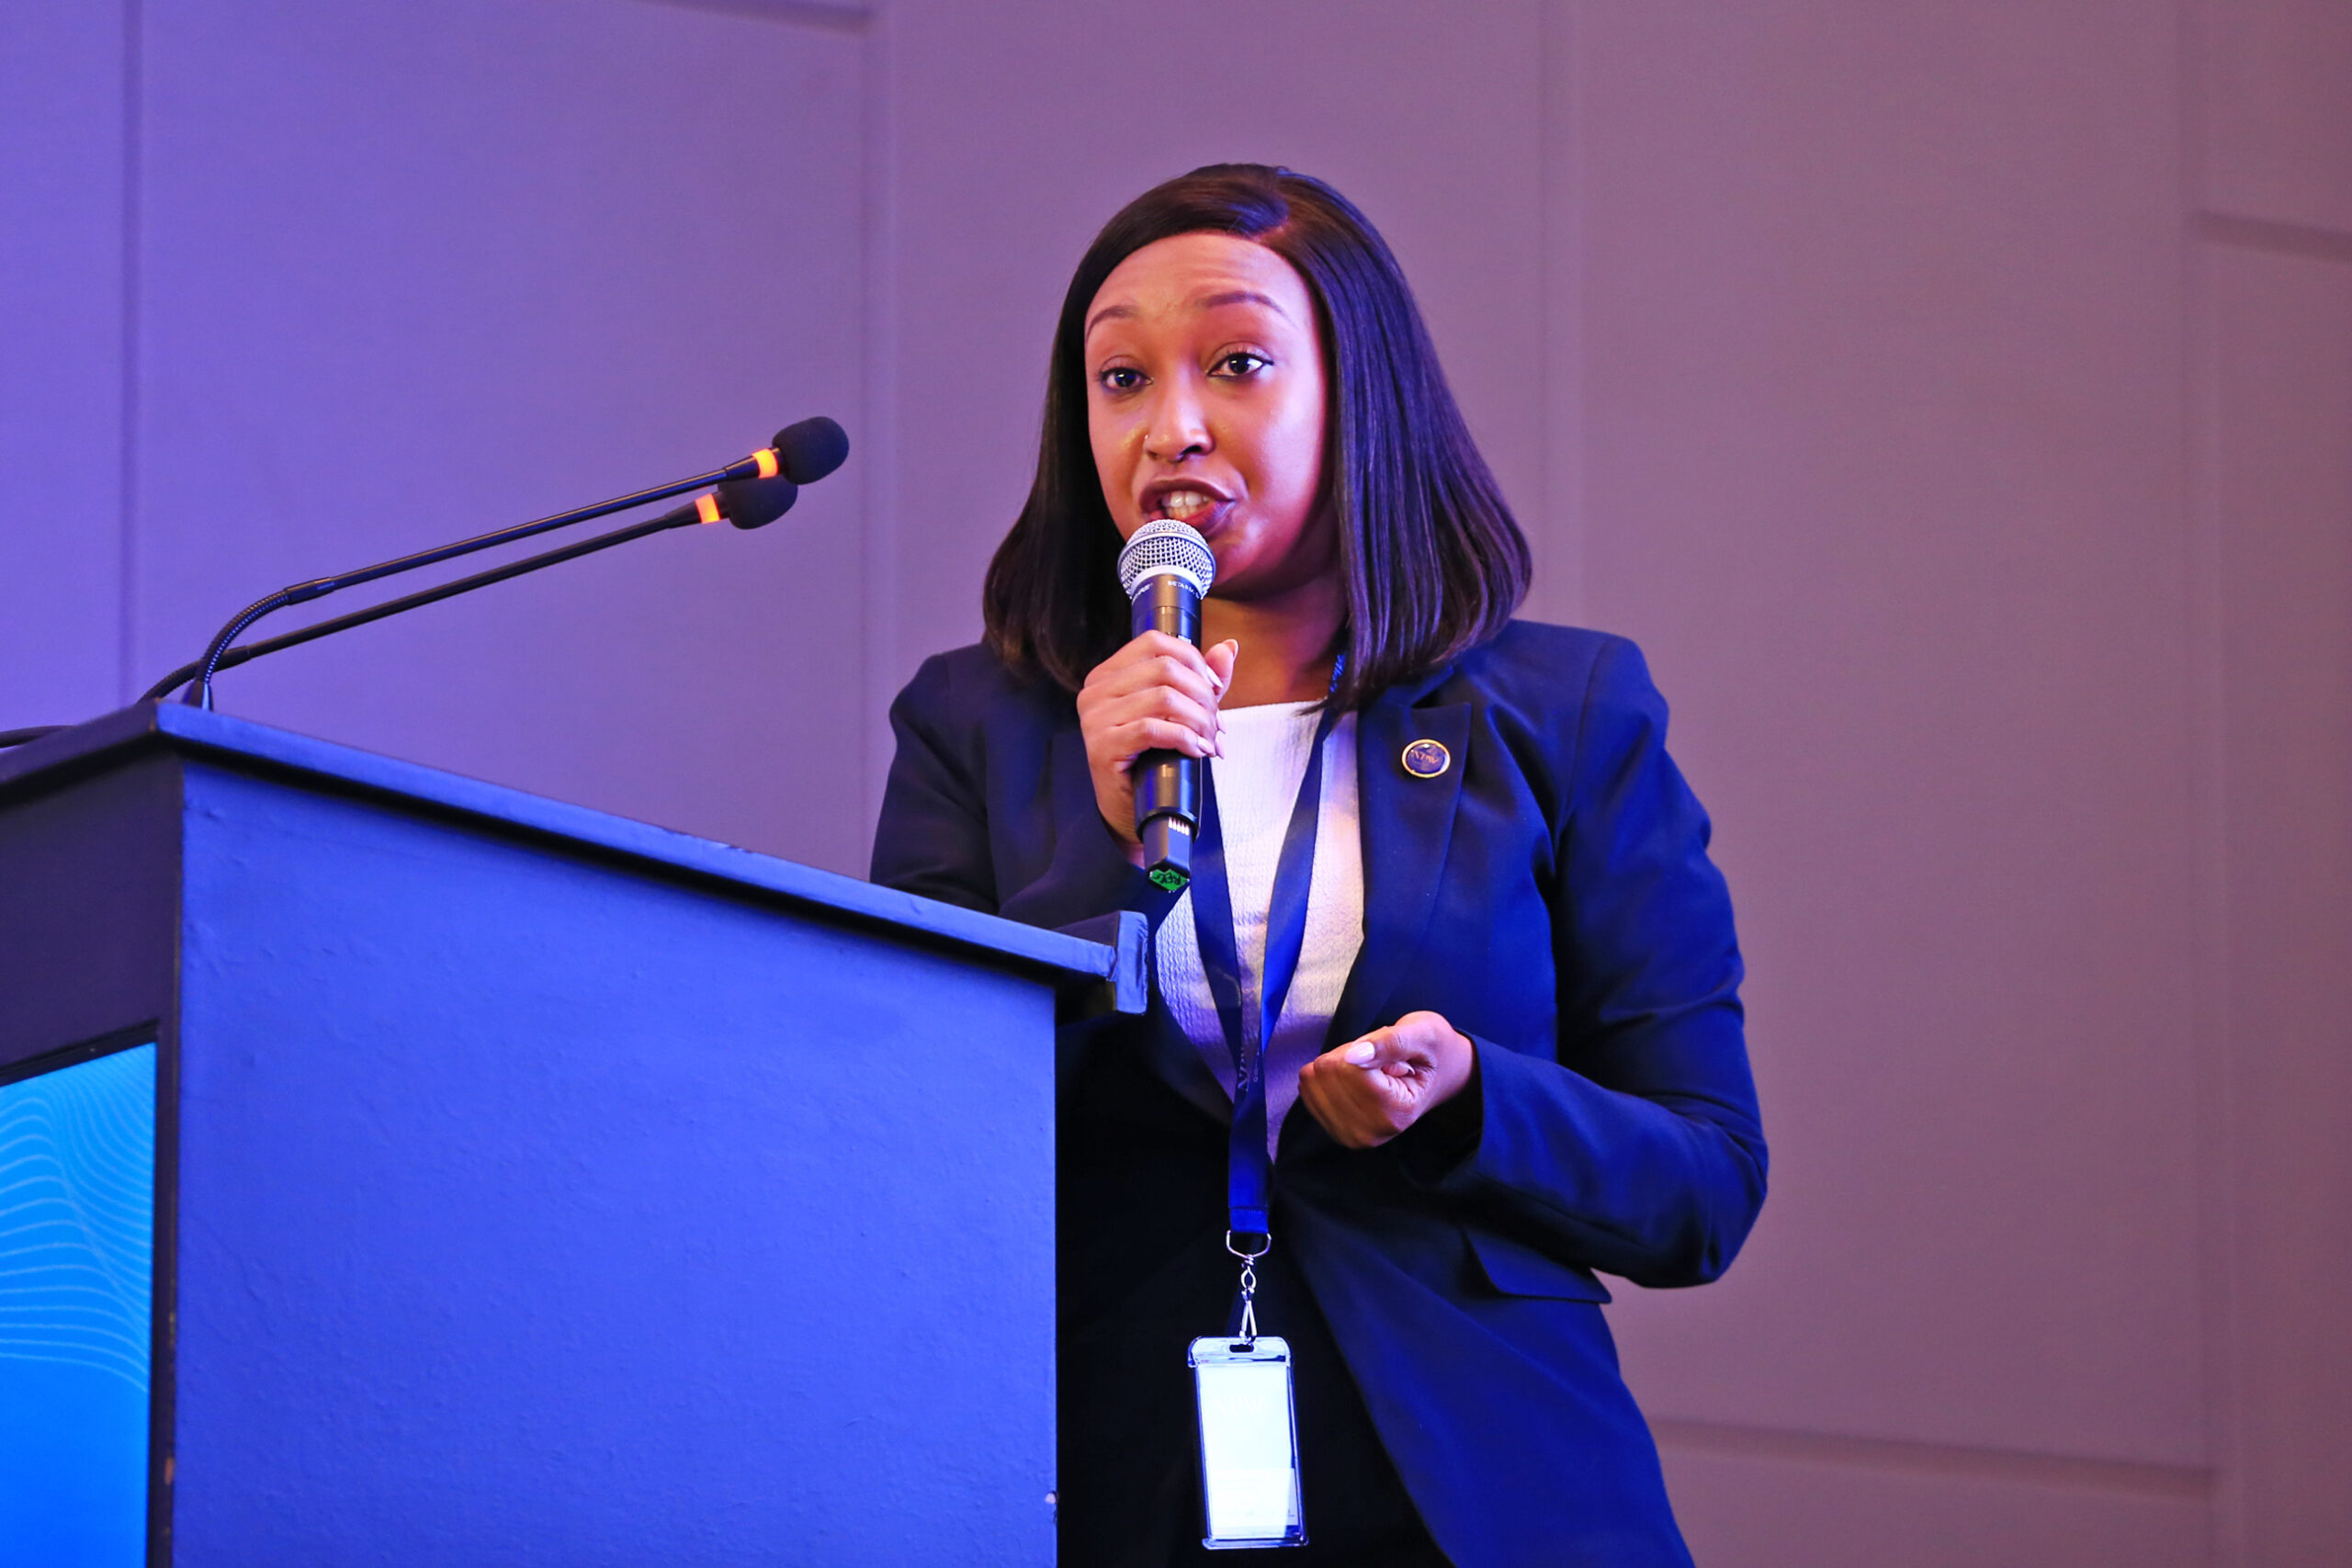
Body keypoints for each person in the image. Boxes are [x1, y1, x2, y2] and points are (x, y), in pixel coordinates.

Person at [870, 164, 1766, 1568]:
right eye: (1120, 379)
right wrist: (1105, 852)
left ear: (1361, 396)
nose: (1170, 427)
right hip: (1102, 1468)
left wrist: (1468, 1098)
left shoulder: (1567, 711)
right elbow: (908, 1143)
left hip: (1478, 1482)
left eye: (1236, 364)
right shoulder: (981, 723)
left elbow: (1703, 1185)